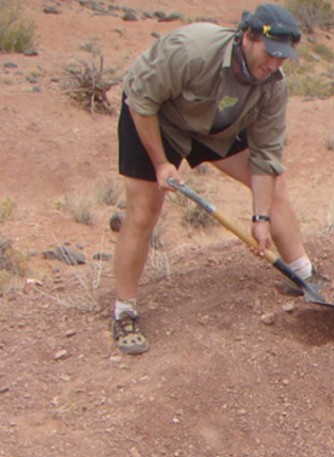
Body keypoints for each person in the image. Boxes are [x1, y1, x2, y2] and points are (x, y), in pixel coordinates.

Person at [112, 4, 323, 355]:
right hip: (156, 118)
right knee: (143, 212)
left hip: (216, 129)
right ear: (248, 37)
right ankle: (124, 311)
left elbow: (266, 156)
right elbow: (141, 99)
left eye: (283, 58)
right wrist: (162, 163)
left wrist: (260, 219)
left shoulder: (273, 85)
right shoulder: (193, 51)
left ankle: (302, 274)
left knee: (275, 185)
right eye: (270, 54)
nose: (273, 64)